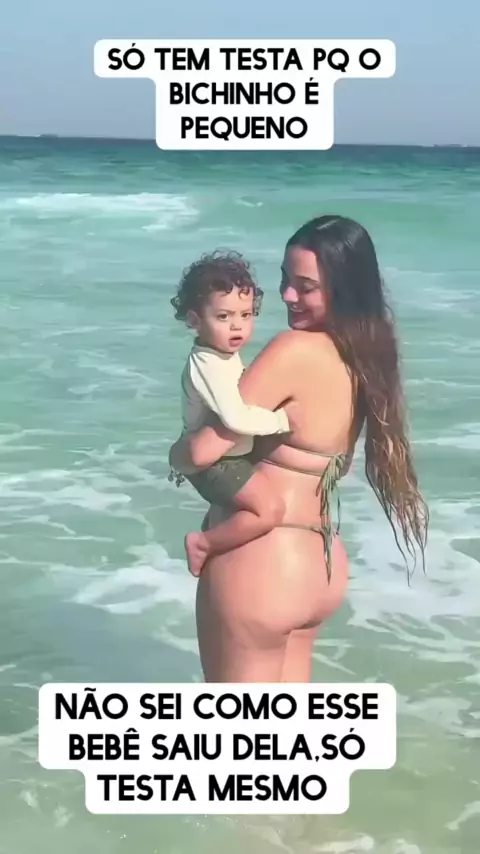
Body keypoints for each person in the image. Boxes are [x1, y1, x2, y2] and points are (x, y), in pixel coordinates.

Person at [169, 214, 429, 683]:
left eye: (305, 286)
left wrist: (177, 455)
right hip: (320, 563)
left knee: (238, 729)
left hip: (262, 562)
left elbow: (205, 451)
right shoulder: (368, 354)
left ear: (342, 288)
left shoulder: (293, 350)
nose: (288, 295)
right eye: (285, 280)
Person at [169, 250, 298, 577]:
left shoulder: (221, 356)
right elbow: (236, 419)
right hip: (218, 464)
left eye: (246, 314)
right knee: (269, 510)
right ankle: (204, 543)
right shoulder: (207, 363)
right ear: (195, 320)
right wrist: (282, 421)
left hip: (228, 458)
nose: (237, 326)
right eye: (224, 317)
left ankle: (215, 531)